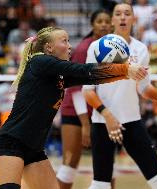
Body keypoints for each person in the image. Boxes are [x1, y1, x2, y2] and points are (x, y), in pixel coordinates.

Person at [0, 26, 148, 189]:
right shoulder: (39, 62)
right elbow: (84, 70)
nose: (69, 45)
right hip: (12, 142)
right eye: (64, 41)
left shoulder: (57, 75)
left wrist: (127, 74)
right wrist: (125, 69)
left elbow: (90, 78)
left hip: (34, 149)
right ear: (49, 47)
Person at [82, 3, 157, 189]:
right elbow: (87, 91)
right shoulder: (97, 47)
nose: (123, 17)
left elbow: (144, 87)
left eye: (127, 13)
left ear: (133, 19)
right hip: (103, 122)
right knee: (101, 183)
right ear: (112, 20)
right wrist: (108, 116)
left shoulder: (141, 49)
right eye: (118, 14)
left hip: (132, 121)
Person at [56, 9, 112, 189]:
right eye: (99, 21)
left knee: (108, 167)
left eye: (106, 21)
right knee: (69, 165)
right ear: (92, 25)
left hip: (99, 110)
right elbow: (76, 88)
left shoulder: (114, 46)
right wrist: (85, 125)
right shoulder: (84, 48)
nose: (103, 24)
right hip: (75, 109)